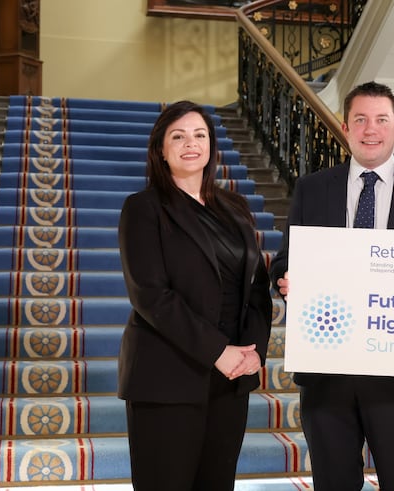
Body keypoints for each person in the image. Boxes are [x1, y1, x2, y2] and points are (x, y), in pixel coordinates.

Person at [269, 81, 394, 490]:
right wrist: (286, 279)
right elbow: (286, 260)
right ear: (345, 127)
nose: (370, 129)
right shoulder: (312, 188)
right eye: (360, 120)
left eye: (381, 120)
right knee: (334, 481)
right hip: (327, 368)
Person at [117, 100, 273, 491]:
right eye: (178, 136)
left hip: (230, 380)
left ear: (211, 146)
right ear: (161, 150)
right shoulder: (143, 209)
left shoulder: (234, 208)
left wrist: (254, 351)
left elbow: (255, 287)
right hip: (168, 376)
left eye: (199, 135)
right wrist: (218, 352)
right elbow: (151, 296)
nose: (191, 143)